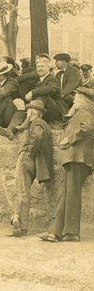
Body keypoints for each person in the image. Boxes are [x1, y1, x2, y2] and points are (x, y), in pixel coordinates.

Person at [39, 87, 94, 242]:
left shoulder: (86, 111)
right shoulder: (83, 111)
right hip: (76, 158)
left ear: (83, 99)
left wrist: (69, 140)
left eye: (76, 98)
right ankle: (58, 231)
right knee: (67, 194)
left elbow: (86, 128)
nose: (74, 100)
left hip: (78, 158)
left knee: (71, 194)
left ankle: (68, 232)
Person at [10, 100, 54, 237]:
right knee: (24, 192)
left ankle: (17, 218)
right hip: (36, 162)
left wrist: (30, 152)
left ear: (32, 113)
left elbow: (38, 136)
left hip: (26, 158)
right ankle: (22, 226)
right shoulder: (42, 124)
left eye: (28, 112)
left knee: (20, 190)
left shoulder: (37, 123)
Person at [24, 53, 63, 121]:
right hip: (43, 111)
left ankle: (28, 121)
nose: (40, 69)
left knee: (43, 96)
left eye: (42, 66)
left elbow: (50, 88)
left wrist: (32, 92)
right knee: (19, 113)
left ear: (48, 67)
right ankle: (10, 129)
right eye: (38, 67)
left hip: (56, 113)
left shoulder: (52, 79)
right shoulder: (39, 81)